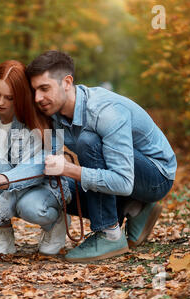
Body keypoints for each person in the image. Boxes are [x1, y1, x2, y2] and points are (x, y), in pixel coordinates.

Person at [25, 51, 177, 262]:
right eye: (34, 91)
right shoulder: (54, 113)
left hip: (155, 177)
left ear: (67, 82)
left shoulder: (105, 112)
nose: (37, 98)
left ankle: (109, 234)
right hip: (127, 180)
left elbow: (123, 182)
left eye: (44, 88)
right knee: (52, 185)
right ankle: (134, 207)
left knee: (87, 142)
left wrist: (69, 169)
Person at [0, 60, 71, 256]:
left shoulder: (37, 121)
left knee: (28, 207)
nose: (0, 102)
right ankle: (5, 232)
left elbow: (26, 176)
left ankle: (55, 222)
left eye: (9, 98)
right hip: (1, 183)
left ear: (22, 96)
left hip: (42, 188)